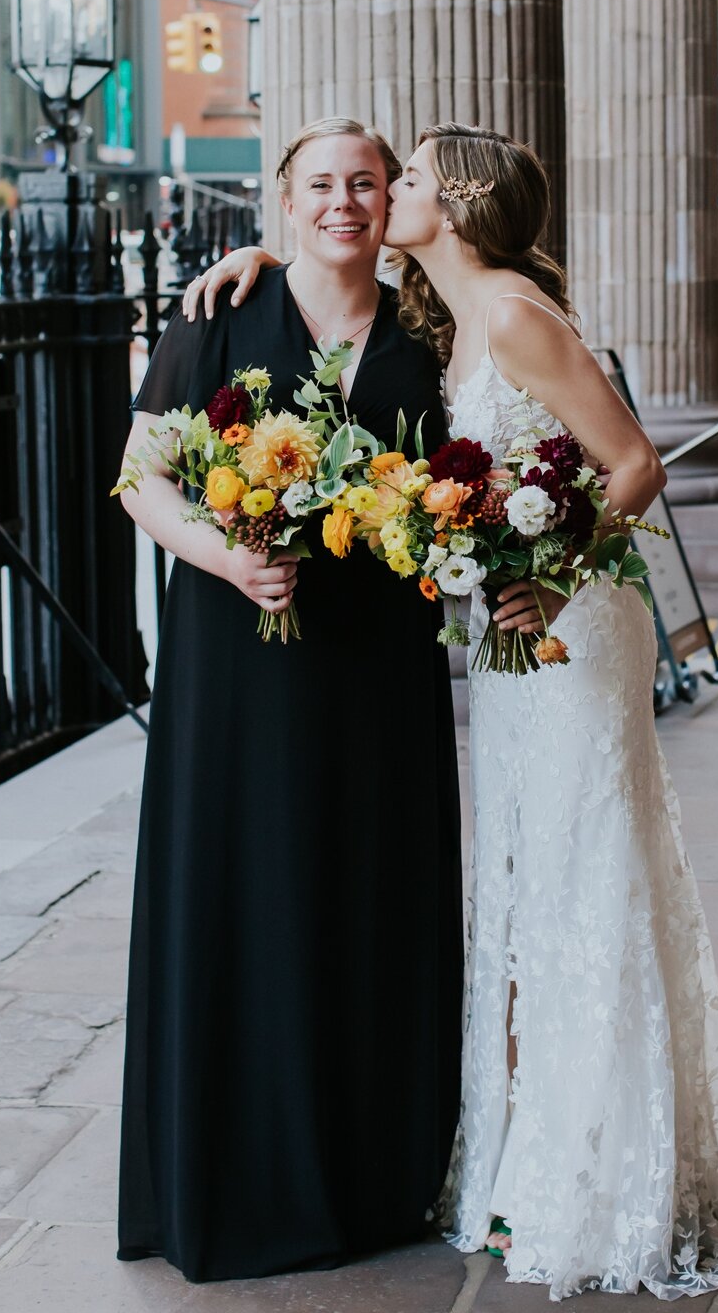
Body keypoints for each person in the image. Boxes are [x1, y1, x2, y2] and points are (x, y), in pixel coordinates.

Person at [190, 124, 718, 1298]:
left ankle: (598, 1182)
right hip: (511, 637)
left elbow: (634, 462)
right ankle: (544, 1157)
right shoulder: (450, 319)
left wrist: (557, 571)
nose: (387, 193)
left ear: (453, 205)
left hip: (563, 630)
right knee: (527, 890)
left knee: (580, 880)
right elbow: (337, 293)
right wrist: (261, 262)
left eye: (406, 177)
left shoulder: (511, 314)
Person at [115, 117, 461, 1281]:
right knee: (243, 886)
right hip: (238, 661)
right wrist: (223, 558)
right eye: (321, 184)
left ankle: (369, 1173)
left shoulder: (431, 331)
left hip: (375, 668)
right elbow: (140, 479)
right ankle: (237, 1173)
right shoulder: (222, 313)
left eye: (365, 183)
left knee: (363, 889)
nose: (345, 203)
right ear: (283, 201)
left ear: (389, 199)